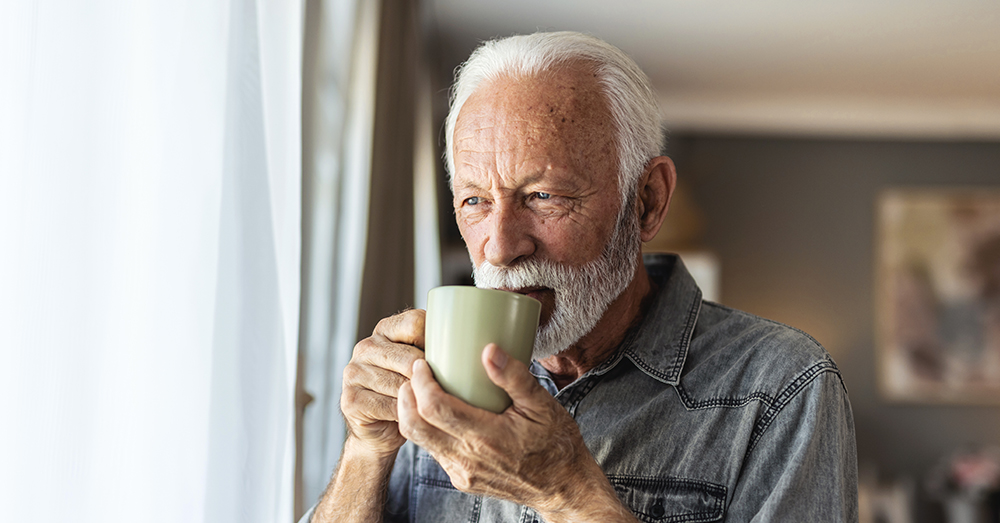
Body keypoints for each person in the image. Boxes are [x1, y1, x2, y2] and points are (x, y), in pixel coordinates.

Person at [303, 31, 858, 522]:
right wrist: (365, 454)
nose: (499, 248)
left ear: (646, 202)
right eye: (474, 201)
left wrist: (570, 495)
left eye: (543, 197)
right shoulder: (435, 379)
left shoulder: (783, 388)